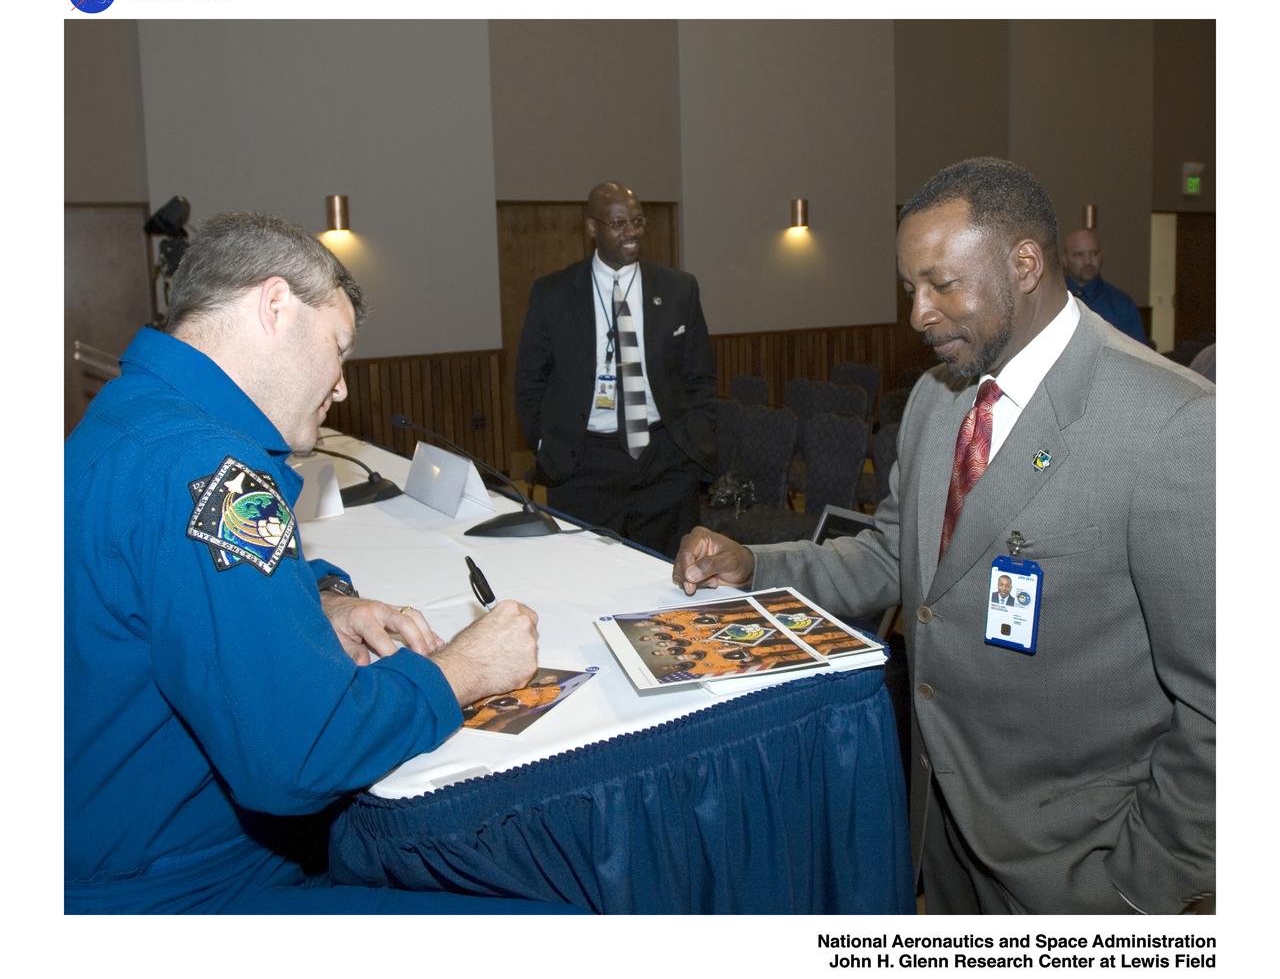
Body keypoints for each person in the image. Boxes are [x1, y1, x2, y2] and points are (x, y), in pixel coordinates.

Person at [673, 158, 1214, 914]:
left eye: (941, 284)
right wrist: (754, 567)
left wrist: (1138, 884)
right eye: (909, 290)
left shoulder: (1176, 423)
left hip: (1082, 868)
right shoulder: (936, 401)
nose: (918, 314)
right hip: (942, 829)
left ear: (1025, 263)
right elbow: (895, 556)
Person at [65, 211, 576, 915]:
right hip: (178, 888)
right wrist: (463, 670)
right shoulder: (211, 466)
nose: (340, 386)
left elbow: (169, 590)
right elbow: (301, 756)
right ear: (275, 305)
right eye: (338, 348)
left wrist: (324, 599)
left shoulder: (132, 415)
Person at [514, 181, 716, 558]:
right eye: (618, 223)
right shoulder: (553, 293)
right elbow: (530, 380)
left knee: (668, 574)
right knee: (589, 574)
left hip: (666, 462)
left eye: (638, 221)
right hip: (585, 465)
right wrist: (546, 442)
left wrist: (698, 440)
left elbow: (699, 376)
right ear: (592, 228)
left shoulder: (678, 290)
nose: (632, 232)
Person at [1062, 228, 1147, 343]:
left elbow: (1138, 354)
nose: (1088, 262)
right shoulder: (1051, 301)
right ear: (1065, 260)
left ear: (1101, 256)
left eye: (1094, 253)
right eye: (1079, 255)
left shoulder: (1122, 305)